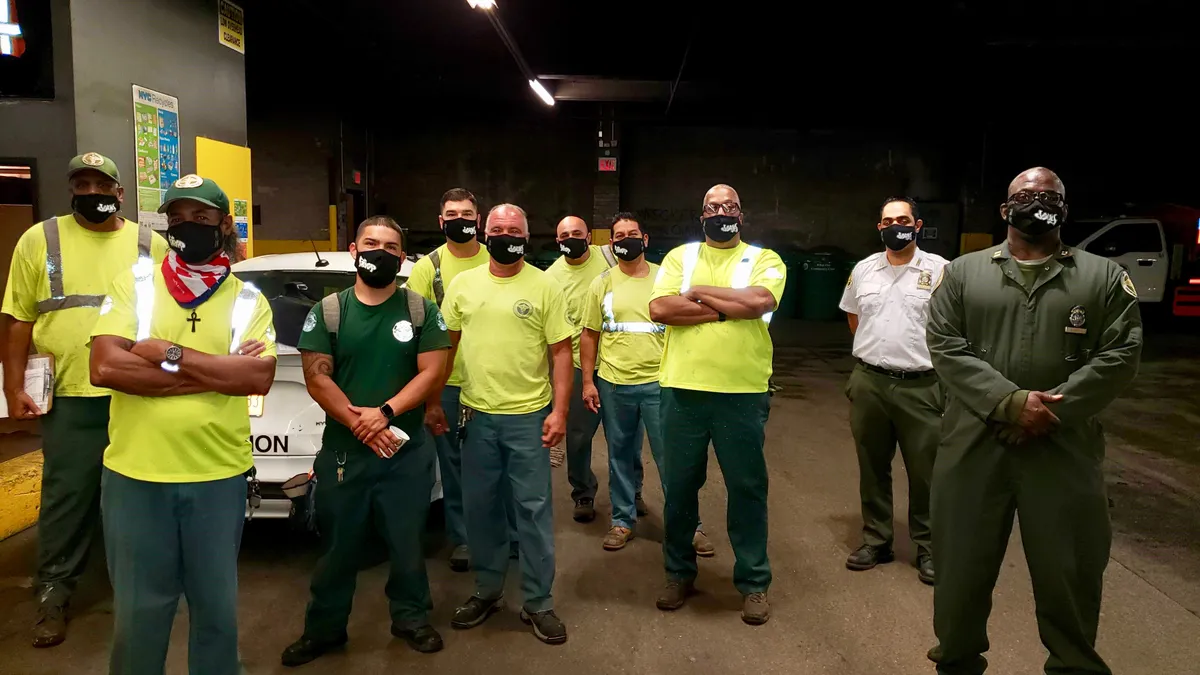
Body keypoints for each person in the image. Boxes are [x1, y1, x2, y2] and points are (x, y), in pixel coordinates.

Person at [926, 167, 1142, 675]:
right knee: (960, 571)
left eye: (1049, 195)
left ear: (1064, 209)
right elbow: (946, 347)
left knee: (1071, 571)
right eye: (1025, 194)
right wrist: (1008, 403)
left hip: (1063, 447)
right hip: (974, 444)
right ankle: (956, 662)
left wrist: (1046, 411)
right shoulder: (962, 273)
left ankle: (1072, 665)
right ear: (1005, 210)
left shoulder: (1103, 277)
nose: (1037, 201)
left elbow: (1120, 354)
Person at [89, 174, 276, 675]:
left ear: (223, 225)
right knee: (138, 615)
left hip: (217, 478)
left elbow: (257, 376)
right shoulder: (136, 285)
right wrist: (218, 372)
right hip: (136, 478)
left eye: (201, 218)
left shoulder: (247, 300)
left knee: (216, 614)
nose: (186, 227)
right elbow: (106, 368)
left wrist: (167, 355)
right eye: (177, 218)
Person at [1, 152, 167, 648]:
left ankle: (135, 590)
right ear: (71, 189)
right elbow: (18, 318)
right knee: (66, 500)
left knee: (138, 497)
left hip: (135, 395)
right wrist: (13, 388)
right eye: (82, 184)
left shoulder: (148, 243)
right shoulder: (40, 239)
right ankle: (54, 593)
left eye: (102, 184)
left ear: (120, 193)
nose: (91, 192)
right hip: (72, 396)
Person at [281, 216, 451, 665]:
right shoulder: (329, 311)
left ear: (401, 256)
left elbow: (433, 370)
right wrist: (361, 424)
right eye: (371, 243)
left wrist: (386, 413)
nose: (380, 251)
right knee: (339, 546)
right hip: (345, 452)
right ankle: (325, 629)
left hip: (406, 449)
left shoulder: (419, 310)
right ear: (354, 251)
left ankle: (411, 617)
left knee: (407, 541)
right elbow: (317, 378)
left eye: (390, 246)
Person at [648, 184, 786, 626]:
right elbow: (661, 309)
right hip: (682, 390)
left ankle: (754, 583)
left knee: (747, 489)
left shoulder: (764, 259)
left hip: (742, 393)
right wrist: (729, 307)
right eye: (712, 206)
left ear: (741, 216)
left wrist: (699, 293)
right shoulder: (678, 257)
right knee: (680, 488)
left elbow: (760, 302)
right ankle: (678, 573)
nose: (721, 212)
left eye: (730, 206)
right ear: (700, 214)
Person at [441, 204, 574, 645]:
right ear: (483, 232)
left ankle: (539, 602)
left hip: (528, 419)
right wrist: (431, 403)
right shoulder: (463, 285)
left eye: (513, 229)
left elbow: (560, 353)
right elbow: (446, 347)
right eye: (496, 229)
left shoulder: (544, 286)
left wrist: (558, 411)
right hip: (475, 416)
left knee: (532, 511)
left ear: (527, 234)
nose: (504, 235)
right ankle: (488, 590)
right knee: (481, 510)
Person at [579, 212, 713, 556]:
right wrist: (588, 382)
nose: (626, 240)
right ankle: (623, 521)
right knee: (619, 455)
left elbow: (684, 324)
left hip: (660, 382)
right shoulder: (602, 283)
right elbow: (590, 335)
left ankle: (689, 525)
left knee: (672, 457)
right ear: (610, 243)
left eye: (632, 234)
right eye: (619, 236)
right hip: (613, 384)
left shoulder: (664, 279)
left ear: (646, 240)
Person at [838, 197, 947, 585]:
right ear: (879, 226)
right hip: (870, 382)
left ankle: (930, 546)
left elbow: (955, 328)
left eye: (902, 220)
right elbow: (855, 318)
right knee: (872, 465)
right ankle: (877, 539)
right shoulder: (864, 269)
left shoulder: (940, 271)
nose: (895, 226)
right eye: (888, 220)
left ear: (917, 225)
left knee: (927, 472)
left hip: (923, 386)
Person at [408, 187, 516, 573]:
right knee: (454, 467)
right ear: (441, 222)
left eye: (467, 213)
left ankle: (508, 536)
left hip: (496, 384)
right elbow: (415, 327)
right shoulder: (428, 269)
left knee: (501, 465)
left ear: (480, 219)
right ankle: (465, 539)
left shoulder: (499, 258)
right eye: (452, 214)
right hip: (449, 384)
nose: (460, 220)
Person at [545, 215, 617, 523]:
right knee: (577, 437)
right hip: (575, 364)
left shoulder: (609, 259)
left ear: (589, 237)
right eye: (565, 235)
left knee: (623, 436)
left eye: (577, 233)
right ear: (557, 240)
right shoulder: (550, 277)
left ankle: (634, 491)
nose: (571, 238)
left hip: (617, 363)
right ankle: (583, 492)